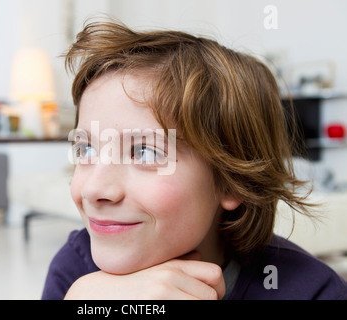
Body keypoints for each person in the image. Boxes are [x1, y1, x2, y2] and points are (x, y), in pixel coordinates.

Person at [42, 20, 347, 300]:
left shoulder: (310, 290)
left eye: (145, 152)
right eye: (86, 150)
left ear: (232, 182)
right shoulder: (74, 273)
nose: (94, 189)